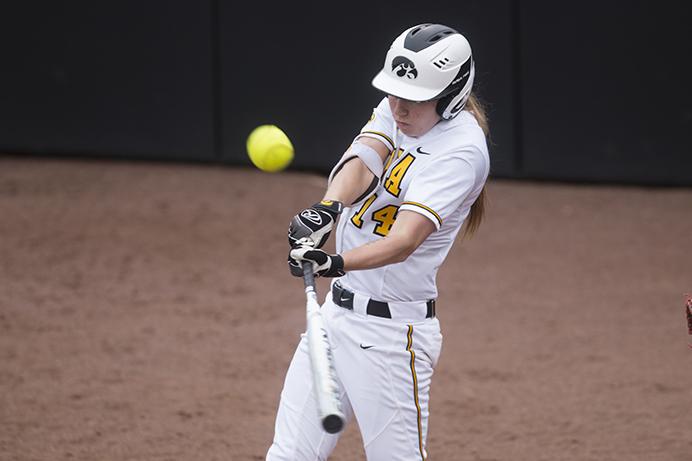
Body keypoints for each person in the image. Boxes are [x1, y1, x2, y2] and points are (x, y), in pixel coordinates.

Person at [267, 23, 490, 460]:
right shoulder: (398, 102)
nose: (398, 106)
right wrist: (328, 208)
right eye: (393, 94)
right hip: (334, 317)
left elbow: (405, 239)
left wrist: (335, 263)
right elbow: (367, 155)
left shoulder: (461, 151)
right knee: (288, 455)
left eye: (413, 99)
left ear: (450, 96)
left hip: (390, 335)